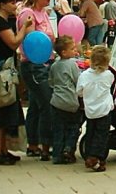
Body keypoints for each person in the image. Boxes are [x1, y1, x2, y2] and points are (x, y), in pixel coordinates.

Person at [0, 0, 31, 166]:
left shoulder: (3, 21)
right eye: (11, 2)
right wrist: (25, 28)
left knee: (6, 110)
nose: (14, 5)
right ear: (2, 4)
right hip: (1, 71)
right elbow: (13, 42)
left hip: (6, 69)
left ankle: (4, 150)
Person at [17, 0, 55, 161]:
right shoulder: (28, 14)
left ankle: (32, 143)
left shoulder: (44, 13)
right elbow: (33, 40)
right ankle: (45, 143)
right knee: (47, 103)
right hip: (33, 64)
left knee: (35, 105)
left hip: (47, 62)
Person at [76, 45, 114, 172]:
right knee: (102, 135)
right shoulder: (108, 75)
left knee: (91, 132)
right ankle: (95, 157)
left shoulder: (84, 75)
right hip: (104, 109)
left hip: (90, 110)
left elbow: (79, 91)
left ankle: (89, 153)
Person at [49, 35, 81, 164]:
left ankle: (57, 154)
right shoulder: (72, 64)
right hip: (70, 102)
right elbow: (77, 81)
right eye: (72, 49)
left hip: (57, 102)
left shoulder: (54, 65)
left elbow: (51, 82)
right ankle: (68, 148)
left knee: (58, 129)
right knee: (73, 127)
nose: (75, 51)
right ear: (64, 52)